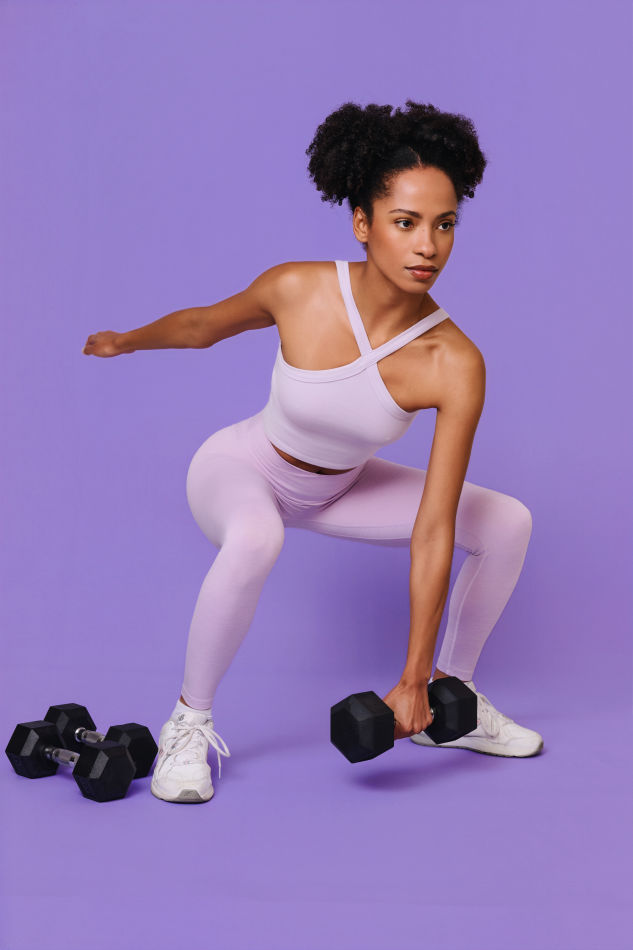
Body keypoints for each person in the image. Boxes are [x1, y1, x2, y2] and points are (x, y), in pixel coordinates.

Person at [82, 99, 543, 804]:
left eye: (445, 224)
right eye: (405, 222)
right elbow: (202, 327)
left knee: (507, 521)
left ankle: (450, 701)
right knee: (257, 537)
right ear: (362, 223)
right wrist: (126, 340)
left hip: (341, 488)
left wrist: (414, 677)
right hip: (242, 470)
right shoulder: (298, 288)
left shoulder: (454, 362)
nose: (427, 246)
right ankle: (188, 721)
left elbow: (434, 525)